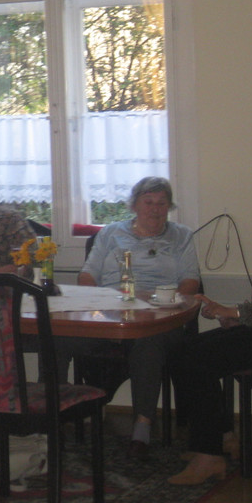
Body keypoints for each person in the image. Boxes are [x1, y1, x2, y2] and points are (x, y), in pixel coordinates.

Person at [168, 180, 252, 485]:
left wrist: (237, 313)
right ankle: (223, 438)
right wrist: (236, 318)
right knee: (181, 350)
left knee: (197, 359)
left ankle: (209, 456)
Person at [65, 176, 200, 459]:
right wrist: (98, 303)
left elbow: (190, 282)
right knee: (59, 337)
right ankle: (55, 413)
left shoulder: (181, 235)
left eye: (161, 203)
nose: (155, 209)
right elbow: (87, 275)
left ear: (169, 206)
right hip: (110, 314)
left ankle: (142, 427)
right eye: (148, 202)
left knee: (148, 344)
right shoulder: (111, 233)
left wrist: (165, 303)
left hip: (160, 316)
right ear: (134, 205)